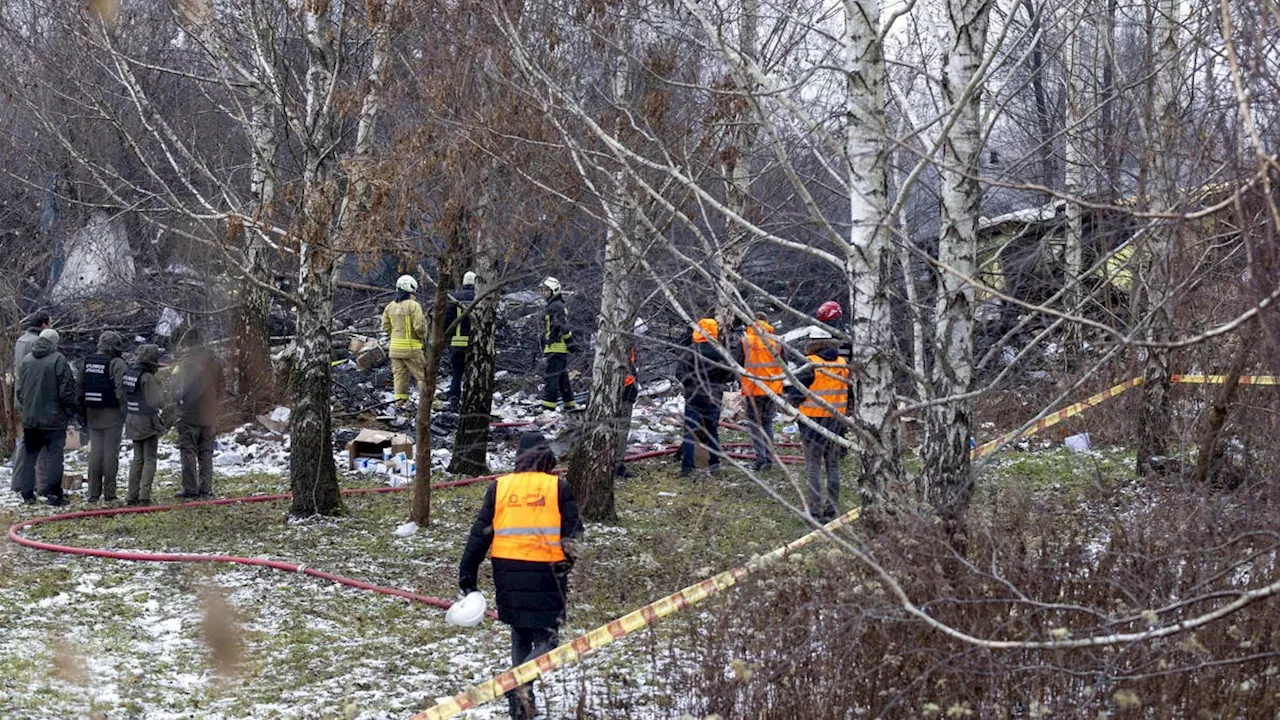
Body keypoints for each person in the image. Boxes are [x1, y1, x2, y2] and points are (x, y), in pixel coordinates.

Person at [458, 431, 584, 720]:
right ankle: (519, 686)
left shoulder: (500, 486)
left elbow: (478, 535)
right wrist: (566, 566)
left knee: (520, 634)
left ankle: (522, 707)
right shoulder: (557, 487)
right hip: (547, 572)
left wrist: (468, 574)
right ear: (546, 456)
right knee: (548, 640)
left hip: (506, 571)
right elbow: (574, 536)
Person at [787, 328, 849, 522]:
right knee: (833, 465)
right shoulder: (842, 364)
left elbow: (797, 394)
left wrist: (792, 402)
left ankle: (814, 511)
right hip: (836, 421)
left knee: (813, 467)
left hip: (812, 422)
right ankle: (831, 510)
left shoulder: (809, 364)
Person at [15, 328, 78, 506]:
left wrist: (28, 407)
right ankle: (54, 494)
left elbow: (19, 391)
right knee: (54, 458)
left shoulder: (27, 360)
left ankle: (27, 494)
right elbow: (67, 390)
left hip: (30, 419)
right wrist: (69, 411)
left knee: (29, 456)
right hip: (54, 419)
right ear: (54, 343)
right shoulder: (58, 360)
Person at [678, 318, 734, 477]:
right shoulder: (721, 352)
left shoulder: (690, 351)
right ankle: (714, 464)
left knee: (690, 432)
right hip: (713, 396)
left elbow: (679, 373)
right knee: (712, 431)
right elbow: (730, 374)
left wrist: (689, 384)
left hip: (694, 396)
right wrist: (718, 383)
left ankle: (687, 467)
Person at [173, 329, 225, 499]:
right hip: (209, 414)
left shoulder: (185, 364)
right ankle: (206, 488)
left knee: (188, 451)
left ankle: (190, 489)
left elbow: (176, 389)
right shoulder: (215, 363)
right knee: (206, 453)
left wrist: (178, 407)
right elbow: (221, 388)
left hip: (188, 415)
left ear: (188, 345)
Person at [732, 312, 784, 472]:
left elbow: (736, 364)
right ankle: (768, 459)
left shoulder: (745, 341)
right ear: (767, 323)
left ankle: (760, 459)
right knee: (767, 423)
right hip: (772, 389)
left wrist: (741, 383)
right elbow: (785, 365)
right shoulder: (777, 342)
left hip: (753, 389)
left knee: (755, 425)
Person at [82, 330, 128, 503]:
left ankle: (93, 493)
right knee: (110, 455)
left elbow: (80, 388)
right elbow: (121, 391)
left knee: (95, 454)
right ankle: (110, 494)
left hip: (92, 414)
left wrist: (82, 415)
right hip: (112, 415)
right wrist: (125, 412)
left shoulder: (87, 362)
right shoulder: (117, 363)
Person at [10, 311, 51, 493]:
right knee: (42, 442)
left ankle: (18, 481)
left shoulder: (21, 340)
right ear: (43, 324)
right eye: (50, 323)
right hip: (36, 400)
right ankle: (43, 485)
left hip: (22, 398)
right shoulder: (38, 343)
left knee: (26, 441)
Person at [123, 344, 166, 506]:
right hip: (146, 420)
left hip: (131, 418)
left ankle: (131, 496)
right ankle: (144, 496)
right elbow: (156, 401)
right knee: (150, 458)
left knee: (137, 459)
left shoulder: (130, 373)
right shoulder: (147, 377)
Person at [382, 274, 428, 406]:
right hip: (411, 349)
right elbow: (419, 326)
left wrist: (395, 335)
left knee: (399, 377)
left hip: (395, 350)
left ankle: (400, 403)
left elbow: (385, 325)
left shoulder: (390, 306)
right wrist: (422, 337)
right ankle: (429, 403)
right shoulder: (414, 305)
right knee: (422, 376)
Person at [539, 277, 577, 413]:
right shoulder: (555, 305)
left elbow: (561, 328)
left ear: (554, 290)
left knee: (551, 378)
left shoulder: (555, 307)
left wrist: (568, 343)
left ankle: (548, 408)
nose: (543, 293)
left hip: (555, 348)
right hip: (557, 348)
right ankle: (570, 405)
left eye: (546, 290)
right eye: (542, 290)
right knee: (562, 379)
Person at [615, 318, 645, 478]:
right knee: (621, 427)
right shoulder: (626, 345)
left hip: (617, 388)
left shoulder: (613, 340)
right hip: (625, 388)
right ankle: (617, 463)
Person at [444, 271, 477, 411]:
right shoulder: (479, 297)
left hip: (457, 344)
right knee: (473, 376)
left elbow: (446, 322)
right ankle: (471, 403)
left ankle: (454, 400)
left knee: (457, 374)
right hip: (474, 344)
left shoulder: (454, 298)